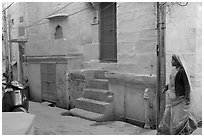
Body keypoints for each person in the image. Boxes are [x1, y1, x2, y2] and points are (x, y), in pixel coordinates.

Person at [157, 54, 197, 135]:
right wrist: (166, 87)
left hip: (180, 97)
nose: (171, 62)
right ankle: (167, 131)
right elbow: (172, 82)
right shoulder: (173, 70)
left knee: (179, 117)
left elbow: (186, 85)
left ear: (177, 61)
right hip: (172, 97)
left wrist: (187, 97)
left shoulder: (182, 71)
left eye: (173, 60)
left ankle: (183, 130)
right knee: (170, 114)